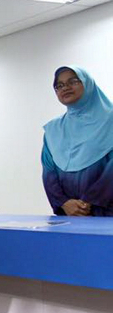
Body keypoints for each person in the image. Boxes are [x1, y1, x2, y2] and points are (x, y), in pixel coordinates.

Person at [42, 66, 113, 216]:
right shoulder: (53, 129)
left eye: (73, 81)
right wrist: (63, 203)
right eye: (59, 85)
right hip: (69, 215)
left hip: (106, 212)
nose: (65, 88)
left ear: (88, 83)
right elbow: (49, 171)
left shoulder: (110, 120)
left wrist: (89, 202)